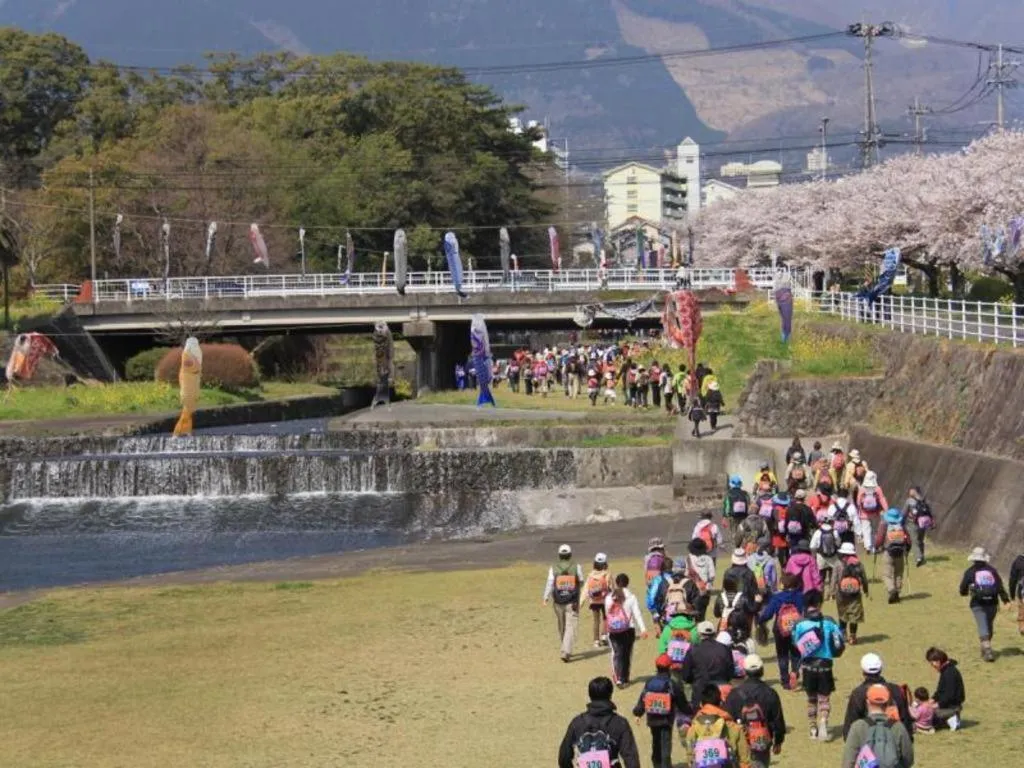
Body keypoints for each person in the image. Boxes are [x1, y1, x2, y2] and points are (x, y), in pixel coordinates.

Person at [557, 676, 642, 768]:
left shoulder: (577, 722)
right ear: (610, 694)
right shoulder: (620, 723)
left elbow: (564, 757)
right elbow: (631, 758)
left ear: (590, 695)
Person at [792, 601, 846, 741]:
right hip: (826, 665)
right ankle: (824, 721)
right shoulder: (829, 622)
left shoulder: (800, 624)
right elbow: (839, 639)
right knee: (824, 698)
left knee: (811, 699)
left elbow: (796, 644)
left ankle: (812, 728)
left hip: (808, 666)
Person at [724, 654, 786, 768]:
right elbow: (778, 721)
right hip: (762, 741)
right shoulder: (770, 693)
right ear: (762, 670)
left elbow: (727, 719)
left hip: (740, 741)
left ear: (745, 671)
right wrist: (778, 741)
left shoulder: (734, 694)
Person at [633, 654, 692, 768]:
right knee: (665, 744)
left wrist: (638, 713)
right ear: (669, 668)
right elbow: (681, 702)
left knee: (655, 742)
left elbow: (643, 698)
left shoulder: (650, 682)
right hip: (666, 720)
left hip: (652, 718)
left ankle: (657, 764)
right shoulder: (671, 684)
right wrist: (690, 711)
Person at [841, 653, 914, 741]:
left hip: (867, 744)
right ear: (881, 669)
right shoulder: (896, 690)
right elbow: (906, 722)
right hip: (894, 743)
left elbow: (850, 726)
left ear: (863, 671)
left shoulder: (858, 693)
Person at [841, 684, 915, 768]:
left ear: (867, 702)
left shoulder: (858, 727)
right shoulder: (898, 727)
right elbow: (908, 759)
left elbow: (848, 761)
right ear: (888, 703)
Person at [958, 546, 1011, 662]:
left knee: (983, 625)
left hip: (977, 603)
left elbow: (962, 589)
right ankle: (986, 647)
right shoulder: (992, 570)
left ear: (973, 559)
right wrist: (1006, 600)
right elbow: (999, 586)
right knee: (988, 625)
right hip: (992, 603)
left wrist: (965, 592)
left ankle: (987, 650)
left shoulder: (970, 572)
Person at [683, 684, 752, 768]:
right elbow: (744, 760)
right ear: (720, 702)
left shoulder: (694, 728)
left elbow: (690, 757)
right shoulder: (734, 727)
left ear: (701, 704)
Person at [757, 573, 805, 690]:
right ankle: (795, 672)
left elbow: (768, 613)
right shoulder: (800, 596)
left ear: (784, 584)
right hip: (796, 628)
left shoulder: (777, 597)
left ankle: (785, 680)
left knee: (782, 655)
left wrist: (760, 620)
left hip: (780, 630)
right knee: (796, 653)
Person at [679, 622, 736, 710]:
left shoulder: (693, 650)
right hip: (722, 693)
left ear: (699, 634)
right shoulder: (725, 649)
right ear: (714, 634)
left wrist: (696, 680)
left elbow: (686, 676)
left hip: (700, 694)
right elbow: (730, 673)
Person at [543, 544, 585, 662]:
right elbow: (581, 581)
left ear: (559, 555)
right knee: (570, 626)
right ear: (570, 555)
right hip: (572, 601)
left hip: (558, 601)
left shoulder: (553, 567)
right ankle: (565, 651)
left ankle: (564, 647)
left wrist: (545, 597)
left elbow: (550, 583)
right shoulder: (577, 566)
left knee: (562, 625)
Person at [605, 573, 649, 686]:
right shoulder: (631, 597)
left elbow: (607, 613)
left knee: (616, 653)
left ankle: (617, 677)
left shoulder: (609, 597)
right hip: (629, 629)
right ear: (627, 583)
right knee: (626, 653)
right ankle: (624, 677)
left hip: (613, 629)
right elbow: (637, 614)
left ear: (616, 583)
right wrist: (643, 629)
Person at [834, 542, 869, 644]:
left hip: (841, 594)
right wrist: (866, 590)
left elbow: (834, 578)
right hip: (855, 594)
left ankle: (843, 634)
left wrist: (831, 592)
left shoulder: (838, 564)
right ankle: (852, 637)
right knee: (854, 615)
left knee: (842, 614)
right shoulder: (859, 564)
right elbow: (864, 579)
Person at [875, 508, 911, 604]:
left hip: (888, 552)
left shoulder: (884, 525)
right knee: (898, 573)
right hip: (900, 553)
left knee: (886, 574)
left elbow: (879, 539)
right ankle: (897, 592)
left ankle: (891, 590)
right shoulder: (902, 526)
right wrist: (907, 549)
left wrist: (876, 547)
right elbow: (908, 540)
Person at [924, 647, 965, 730]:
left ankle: (952, 717)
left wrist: (936, 705)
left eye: (932, 663)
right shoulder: (945, 671)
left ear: (938, 661)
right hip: (947, 705)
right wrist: (931, 701)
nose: (932, 666)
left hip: (952, 707)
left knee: (927, 713)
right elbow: (940, 691)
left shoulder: (950, 673)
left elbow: (949, 695)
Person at [583, 553, 612, 648]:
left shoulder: (590, 575)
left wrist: (581, 602)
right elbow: (611, 587)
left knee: (596, 621)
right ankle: (604, 635)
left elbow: (585, 589)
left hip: (594, 601)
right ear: (605, 564)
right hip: (605, 600)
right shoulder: (607, 574)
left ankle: (596, 641)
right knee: (606, 617)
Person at [856, 472, 888, 553]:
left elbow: (858, 501)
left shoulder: (862, 489)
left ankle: (867, 546)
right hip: (875, 513)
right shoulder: (877, 489)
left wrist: (859, 510)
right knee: (874, 530)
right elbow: (882, 499)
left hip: (864, 513)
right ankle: (874, 547)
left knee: (866, 529)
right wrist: (886, 509)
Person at [785, 539, 823, 605]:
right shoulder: (811, 559)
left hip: (794, 590)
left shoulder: (791, 559)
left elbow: (787, 575)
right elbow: (816, 576)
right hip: (808, 590)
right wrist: (819, 588)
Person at [810, 519, 841, 600]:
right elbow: (838, 544)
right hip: (833, 557)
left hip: (821, 557)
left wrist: (814, 556)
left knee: (821, 577)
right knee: (833, 576)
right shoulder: (835, 532)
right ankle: (832, 594)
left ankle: (821, 594)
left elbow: (812, 546)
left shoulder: (818, 532)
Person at [903, 487, 933, 567]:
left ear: (914, 491)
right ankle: (922, 557)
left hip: (912, 523)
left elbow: (904, 512)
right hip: (923, 523)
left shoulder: (909, 501)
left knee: (914, 541)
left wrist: (901, 521)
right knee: (920, 540)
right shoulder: (924, 500)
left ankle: (918, 558)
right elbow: (929, 512)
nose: (909, 492)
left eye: (910, 491)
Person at [685, 539, 715, 620]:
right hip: (705, 590)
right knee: (702, 615)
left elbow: (686, 574)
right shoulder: (708, 558)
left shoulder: (689, 558)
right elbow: (712, 576)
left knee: (690, 614)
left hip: (691, 589)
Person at [1010, 550, 1024, 636]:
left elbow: (1013, 580)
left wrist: (1012, 595)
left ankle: (1022, 628)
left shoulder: (1018, 561)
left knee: (1022, 610)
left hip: (1022, 592)